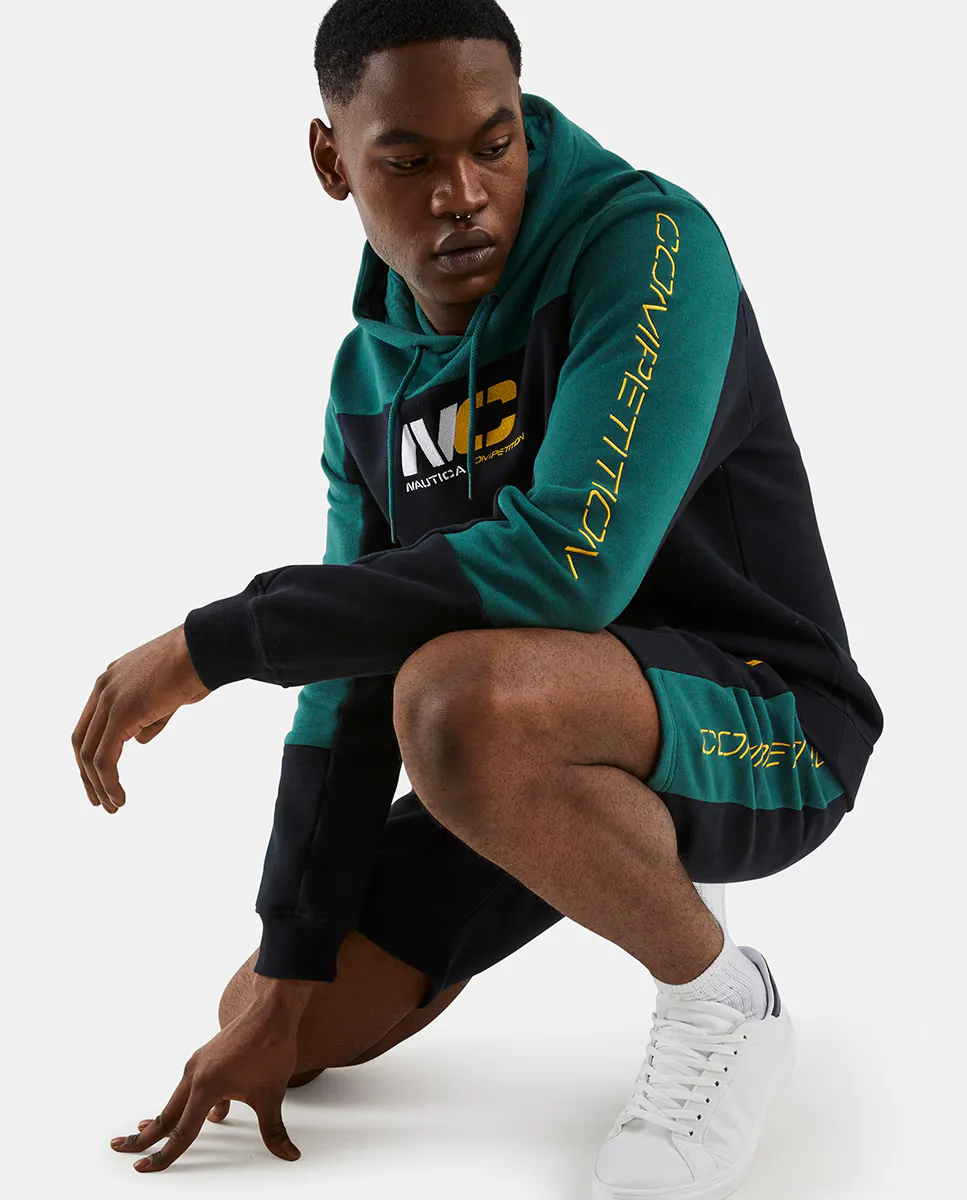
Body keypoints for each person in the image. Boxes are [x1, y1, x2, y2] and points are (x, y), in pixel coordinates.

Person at [71, 1, 884, 1195]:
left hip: (770, 725)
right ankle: (601, 836)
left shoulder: (649, 246)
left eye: (493, 146)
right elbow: (344, 688)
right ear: (329, 160)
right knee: (275, 1017)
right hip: (539, 733)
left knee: (448, 697)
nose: (462, 195)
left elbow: (569, 567)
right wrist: (288, 971)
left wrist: (212, 645)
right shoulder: (368, 382)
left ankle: (722, 999)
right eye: (407, 162)